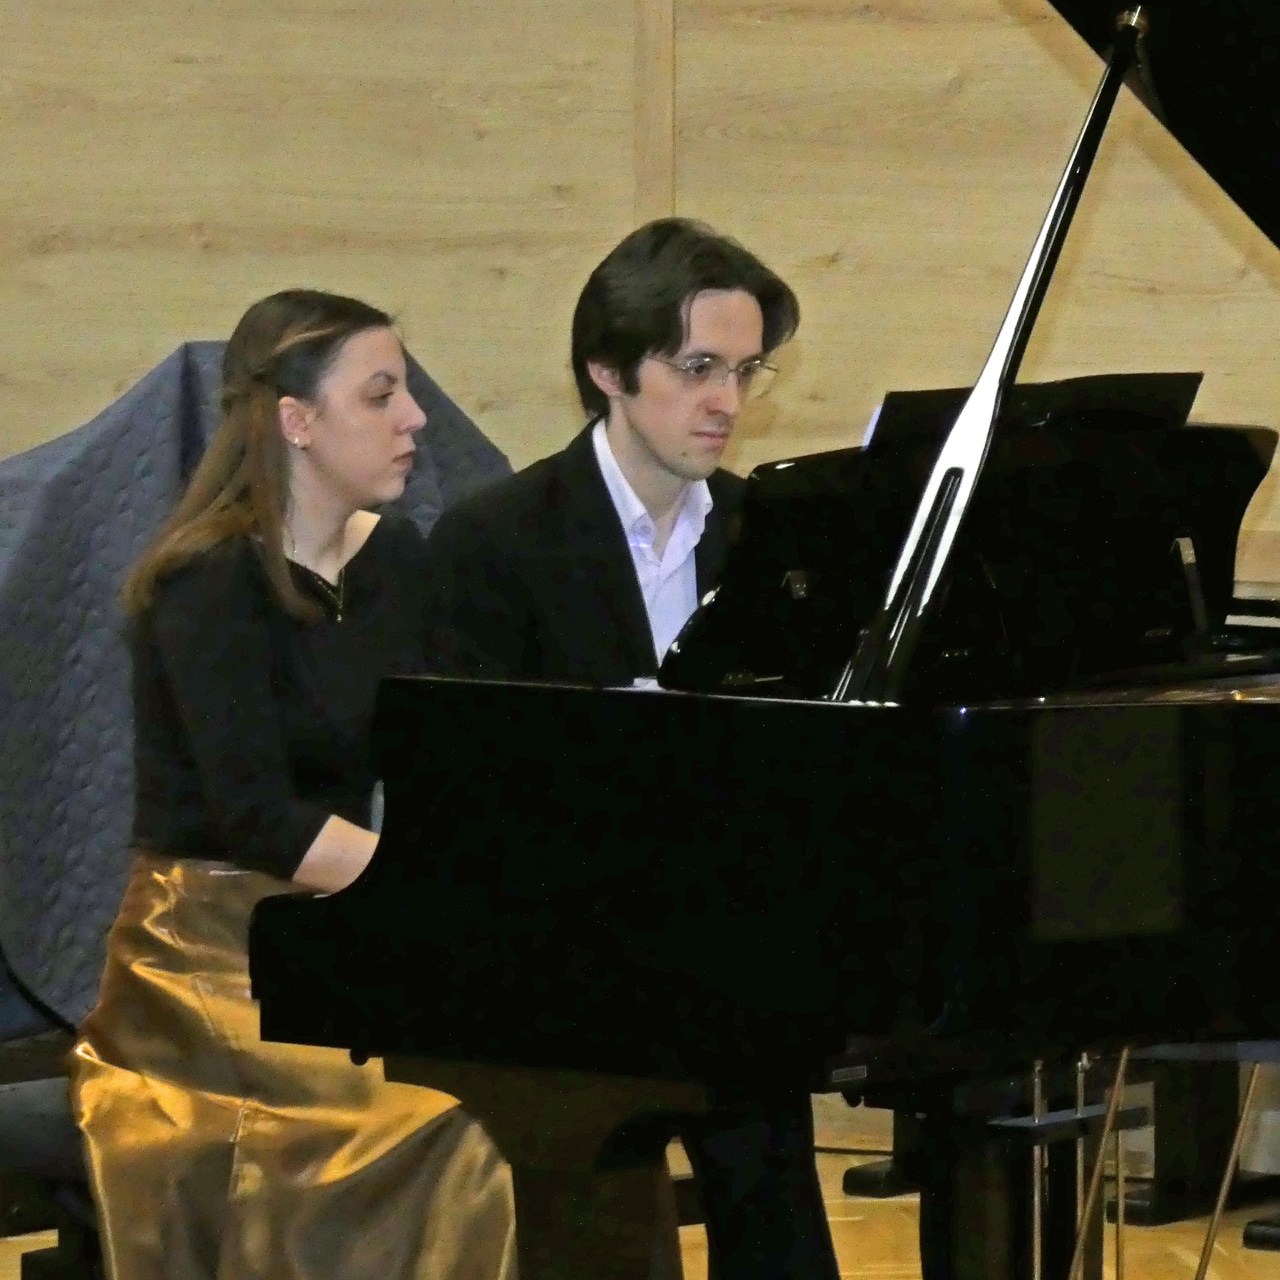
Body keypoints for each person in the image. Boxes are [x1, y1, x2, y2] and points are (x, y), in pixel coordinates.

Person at [72, 290, 518, 1280]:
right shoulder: (205, 582)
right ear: (296, 420)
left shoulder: (394, 560)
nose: (417, 418)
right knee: (452, 1128)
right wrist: (442, 894)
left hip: (339, 932)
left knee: (532, 1094)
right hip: (201, 961)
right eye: (382, 395)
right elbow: (260, 819)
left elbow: (450, 757)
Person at [425, 218, 837, 1280]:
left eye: (745, 371)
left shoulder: (768, 534)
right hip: (561, 955)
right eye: (697, 369)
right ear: (608, 371)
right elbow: (467, 790)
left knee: (769, 1164)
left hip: (724, 943)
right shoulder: (494, 540)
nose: (728, 401)